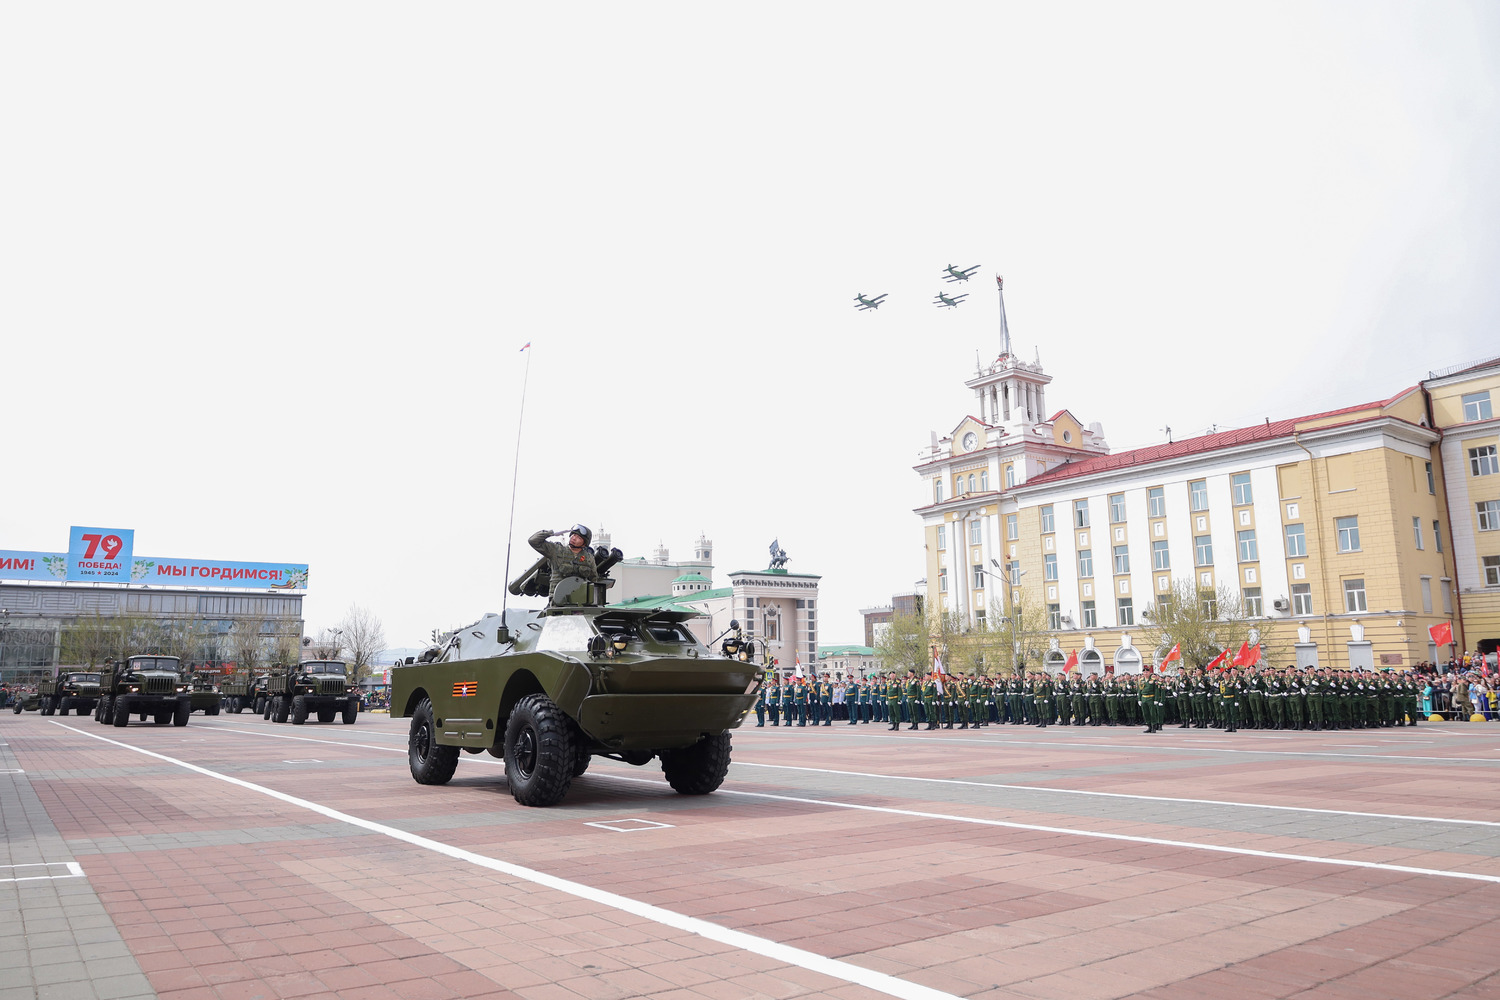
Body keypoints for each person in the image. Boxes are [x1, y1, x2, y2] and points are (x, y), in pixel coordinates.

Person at [528, 525, 600, 598]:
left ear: (584, 544)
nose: (574, 538)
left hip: (580, 600)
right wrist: (551, 533)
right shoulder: (556, 551)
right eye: (574, 535)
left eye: (579, 537)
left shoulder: (589, 558)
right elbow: (533, 541)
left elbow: (594, 580)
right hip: (558, 600)